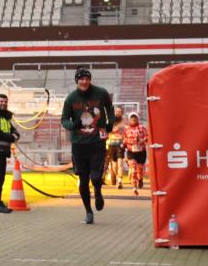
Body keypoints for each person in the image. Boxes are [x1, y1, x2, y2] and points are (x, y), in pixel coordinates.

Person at [61, 67, 114, 224]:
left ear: (90, 80)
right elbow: (63, 119)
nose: (84, 81)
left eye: (87, 78)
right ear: (77, 80)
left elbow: (110, 107)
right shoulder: (71, 98)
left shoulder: (101, 93)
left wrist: (110, 122)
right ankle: (88, 212)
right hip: (79, 144)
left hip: (97, 141)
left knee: (96, 175)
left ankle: (97, 191)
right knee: (83, 180)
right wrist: (73, 125)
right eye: (81, 79)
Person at [122, 112, 149, 195]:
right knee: (133, 170)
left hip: (141, 152)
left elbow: (147, 137)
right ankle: (134, 188)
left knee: (140, 169)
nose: (133, 120)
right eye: (132, 118)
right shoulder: (126, 129)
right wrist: (123, 145)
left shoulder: (142, 128)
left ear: (137, 119)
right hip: (131, 151)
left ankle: (140, 179)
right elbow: (124, 140)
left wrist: (142, 140)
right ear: (129, 119)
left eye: (135, 118)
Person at [105, 105, 125, 189]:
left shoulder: (124, 120)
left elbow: (125, 129)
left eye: (119, 112)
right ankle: (116, 177)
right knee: (114, 164)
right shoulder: (109, 120)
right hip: (111, 144)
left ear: (121, 113)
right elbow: (106, 130)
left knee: (120, 163)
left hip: (120, 143)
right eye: (116, 112)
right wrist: (113, 130)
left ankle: (119, 179)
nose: (118, 113)